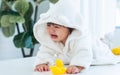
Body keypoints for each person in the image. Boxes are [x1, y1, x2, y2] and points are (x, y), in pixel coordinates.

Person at [33, 0, 119, 74]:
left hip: (97, 52)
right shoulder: (52, 39)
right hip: (73, 55)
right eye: (49, 25)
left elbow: (83, 51)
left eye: (56, 27)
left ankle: (105, 42)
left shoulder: (79, 38)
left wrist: (77, 65)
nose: (51, 30)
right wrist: (42, 63)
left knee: (101, 49)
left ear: (69, 28)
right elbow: (45, 52)